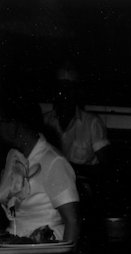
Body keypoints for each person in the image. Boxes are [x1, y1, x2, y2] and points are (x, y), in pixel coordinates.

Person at [0, 88, 81, 244]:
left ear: (15, 124)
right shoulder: (13, 156)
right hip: (15, 243)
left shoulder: (53, 162)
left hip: (43, 248)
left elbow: (73, 221)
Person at [43, 62, 112, 176]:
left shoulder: (92, 123)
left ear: (77, 93)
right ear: (54, 93)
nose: (65, 95)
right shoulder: (43, 122)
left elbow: (106, 167)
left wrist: (70, 170)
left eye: (69, 90)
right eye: (61, 89)